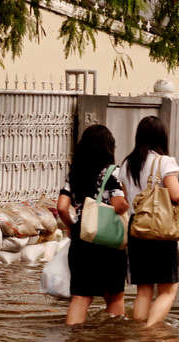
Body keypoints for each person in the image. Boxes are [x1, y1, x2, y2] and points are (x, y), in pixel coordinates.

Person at [120, 116, 179, 327]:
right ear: (161, 137)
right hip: (159, 229)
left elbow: (128, 199)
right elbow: (175, 194)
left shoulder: (127, 164)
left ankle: (137, 331)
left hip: (137, 228)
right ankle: (149, 332)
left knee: (144, 290)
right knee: (168, 289)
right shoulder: (164, 162)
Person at [57, 125, 129, 325]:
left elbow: (62, 207)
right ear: (108, 148)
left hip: (82, 236)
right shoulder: (113, 173)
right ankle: (112, 341)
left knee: (81, 296)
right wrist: (127, 204)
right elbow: (118, 205)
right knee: (114, 296)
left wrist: (72, 226)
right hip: (108, 239)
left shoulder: (74, 173)